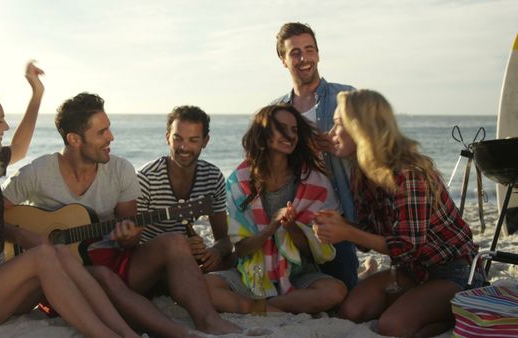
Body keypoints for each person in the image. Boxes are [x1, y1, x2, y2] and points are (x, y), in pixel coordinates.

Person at [0, 63, 139, 337]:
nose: (6, 126)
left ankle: (126, 333)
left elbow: (21, 146)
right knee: (44, 255)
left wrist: (36, 94)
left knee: (58, 252)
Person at [2, 92, 240, 337]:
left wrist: (128, 237)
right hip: (61, 281)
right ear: (74, 139)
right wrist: (22, 237)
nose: (111, 137)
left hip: (111, 261)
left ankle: (208, 321)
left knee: (175, 242)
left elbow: (131, 237)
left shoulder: (120, 170)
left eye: (109, 129)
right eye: (101, 132)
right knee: (103, 276)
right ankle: (177, 333)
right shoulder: (37, 172)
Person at [312, 89, 483, 337]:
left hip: (454, 272)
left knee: (391, 325)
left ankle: (453, 319)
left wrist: (348, 231)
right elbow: (369, 237)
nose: (331, 133)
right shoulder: (362, 172)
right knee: (351, 310)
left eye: (339, 124)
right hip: (411, 271)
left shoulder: (409, 172)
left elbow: (407, 247)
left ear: (360, 127)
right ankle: (421, 308)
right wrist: (340, 225)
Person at [205, 104, 347, 314]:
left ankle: (263, 308)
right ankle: (272, 308)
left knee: (335, 291)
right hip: (253, 270)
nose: (289, 135)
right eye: (281, 128)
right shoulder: (240, 180)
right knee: (204, 285)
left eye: (294, 130)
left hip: (298, 272)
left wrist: (291, 228)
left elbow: (316, 252)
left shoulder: (314, 181)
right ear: (263, 133)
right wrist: (271, 228)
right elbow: (241, 249)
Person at [272, 22, 359, 288]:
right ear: (283, 60)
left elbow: (375, 150)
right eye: (295, 52)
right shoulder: (276, 112)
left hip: (336, 216)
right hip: (295, 221)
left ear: (318, 54)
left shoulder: (346, 97)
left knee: (345, 293)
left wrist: (344, 146)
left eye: (309, 50)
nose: (304, 58)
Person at [137, 105, 233, 272]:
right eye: (178, 138)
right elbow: (131, 244)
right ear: (168, 138)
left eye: (193, 140)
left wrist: (216, 251)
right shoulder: (146, 179)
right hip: (149, 263)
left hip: (184, 260)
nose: (184, 147)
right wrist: (179, 246)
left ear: (205, 141)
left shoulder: (212, 177)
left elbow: (223, 239)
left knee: (236, 260)